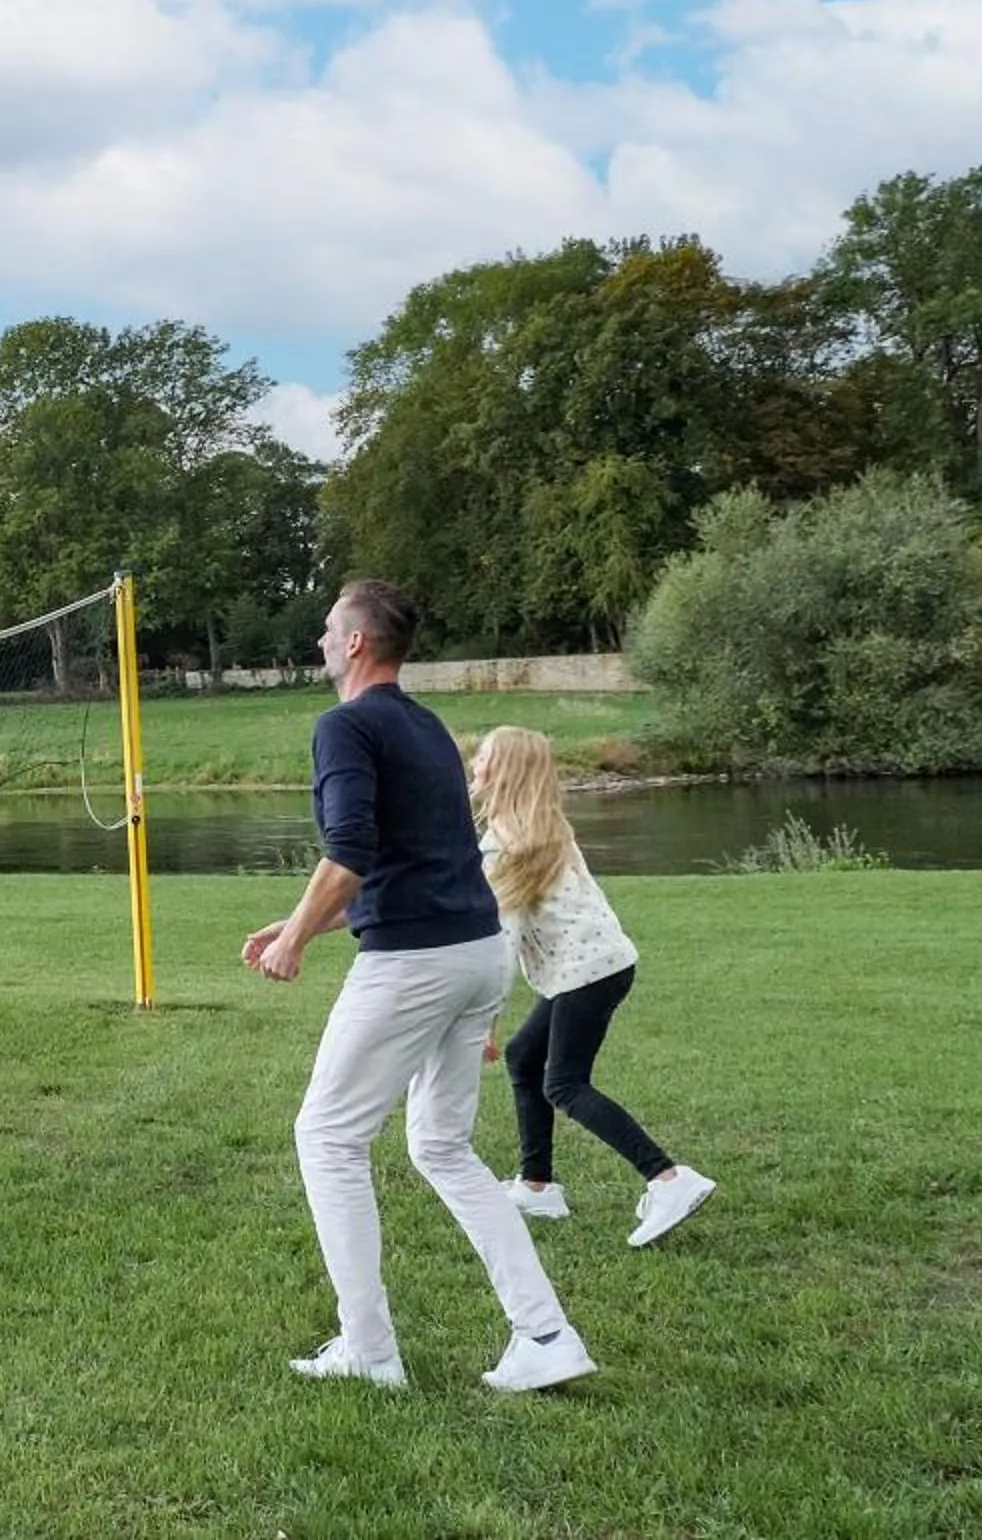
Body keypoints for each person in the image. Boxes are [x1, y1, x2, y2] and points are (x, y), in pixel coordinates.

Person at [241, 579, 596, 1392]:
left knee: (327, 1138)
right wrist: (294, 920)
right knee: (440, 1147)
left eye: (330, 628)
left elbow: (351, 854)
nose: (320, 640)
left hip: (416, 967)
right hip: (474, 953)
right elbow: (413, 870)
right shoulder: (428, 730)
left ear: (359, 643)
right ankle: (546, 1333)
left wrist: (296, 940)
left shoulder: (345, 726)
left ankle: (368, 1349)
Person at [471, 725, 718, 1247]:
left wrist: (484, 1023)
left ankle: (668, 1178)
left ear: (507, 771)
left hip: (586, 975)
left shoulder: (507, 843)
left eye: (485, 757)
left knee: (564, 1084)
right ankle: (537, 1185)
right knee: (524, 1057)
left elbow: (501, 945)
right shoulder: (542, 825)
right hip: (597, 967)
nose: (475, 763)